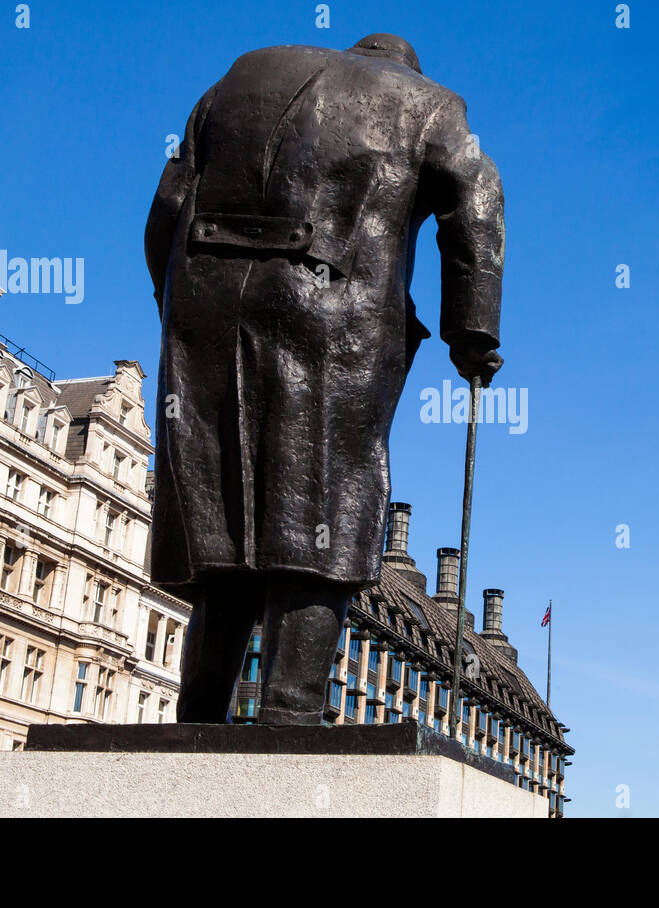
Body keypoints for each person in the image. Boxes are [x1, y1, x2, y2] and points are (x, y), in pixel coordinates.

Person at [145, 34, 504, 723]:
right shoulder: (426, 103)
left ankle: (197, 715)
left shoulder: (236, 76)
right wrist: (472, 332)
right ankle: (291, 712)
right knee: (328, 503)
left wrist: (180, 306)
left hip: (203, 303)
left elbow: (166, 209)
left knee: (219, 517)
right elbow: (477, 198)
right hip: (331, 308)